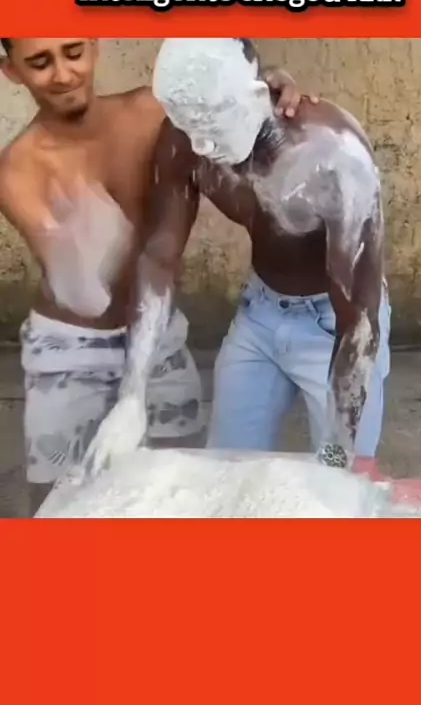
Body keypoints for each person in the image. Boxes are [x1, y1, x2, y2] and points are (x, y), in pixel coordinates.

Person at [0, 37, 308, 512]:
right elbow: (84, 291)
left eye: (73, 52)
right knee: (61, 510)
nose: (62, 74)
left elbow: (223, 105)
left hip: (156, 340)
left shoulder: (152, 111)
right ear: (12, 72)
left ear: (95, 47)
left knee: (172, 498)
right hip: (69, 357)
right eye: (40, 63)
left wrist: (263, 88)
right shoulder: (18, 167)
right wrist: (84, 239)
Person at [96, 38, 391, 472]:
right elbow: (158, 257)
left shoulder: (334, 157)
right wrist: (131, 396)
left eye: (211, 123)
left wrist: (338, 455)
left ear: (255, 97)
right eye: (186, 123)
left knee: (342, 472)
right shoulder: (186, 139)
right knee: (224, 469)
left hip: (336, 325)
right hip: (260, 317)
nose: (201, 144)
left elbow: (358, 323)